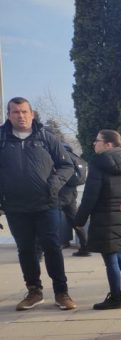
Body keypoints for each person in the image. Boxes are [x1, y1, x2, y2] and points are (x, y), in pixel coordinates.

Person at [0, 97, 77, 311]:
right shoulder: (2, 138)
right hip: (15, 206)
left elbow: (67, 165)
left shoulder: (46, 137)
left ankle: (61, 292)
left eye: (24, 111)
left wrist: (54, 184)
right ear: (8, 115)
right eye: (15, 112)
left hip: (46, 204)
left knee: (52, 246)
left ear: (32, 114)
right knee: (25, 249)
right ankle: (34, 291)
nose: (21, 116)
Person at [74, 130, 121, 310]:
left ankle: (115, 298)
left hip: (105, 216)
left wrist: (79, 219)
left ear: (108, 144)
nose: (94, 144)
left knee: (110, 257)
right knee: (117, 252)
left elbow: (90, 196)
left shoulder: (98, 162)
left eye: (97, 140)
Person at [58, 142, 91, 257]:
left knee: (50, 220)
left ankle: (41, 251)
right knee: (75, 220)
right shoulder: (74, 157)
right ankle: (85, 247)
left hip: (59, 192)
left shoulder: (59, 157)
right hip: (71, 193)